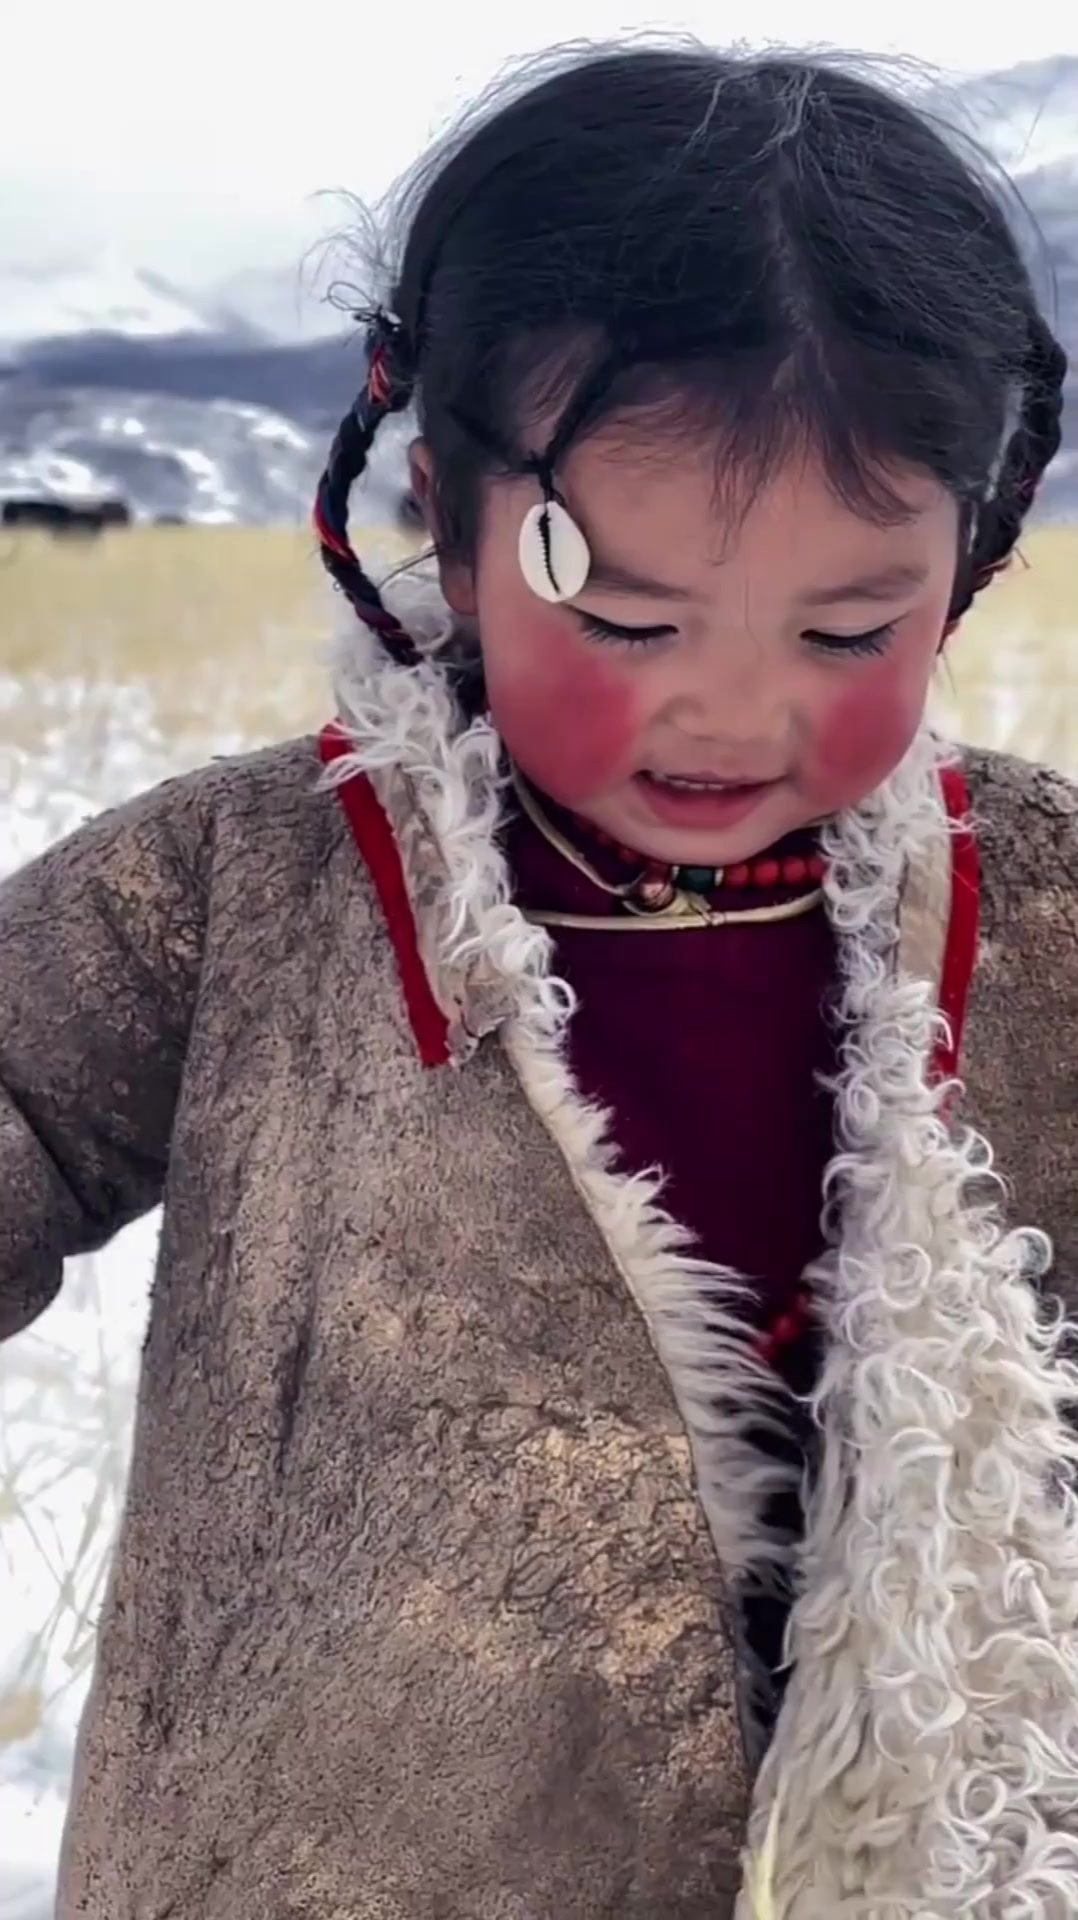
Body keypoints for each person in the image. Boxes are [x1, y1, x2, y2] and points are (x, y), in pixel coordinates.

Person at [2, 41, 1076, 1920]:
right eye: (631, 615)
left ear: (968, 560)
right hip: (333, 1854)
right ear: (446, 505)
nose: (735, 706)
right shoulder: (256, 888)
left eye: (848, 626)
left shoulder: (1038, 906)